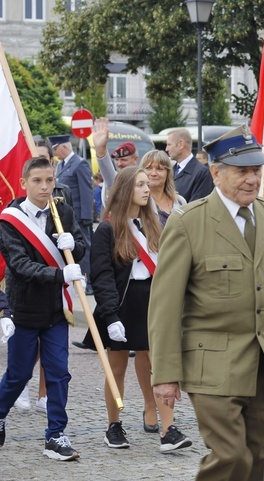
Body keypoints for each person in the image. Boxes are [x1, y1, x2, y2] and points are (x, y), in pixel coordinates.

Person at [148, 126, 264, 481]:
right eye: (242, 171)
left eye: (256, 169)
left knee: (256, 458)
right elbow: (165, 305)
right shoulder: (189, 222)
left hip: (260, 362)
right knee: (231, 456)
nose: (252, 178)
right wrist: (165, 374)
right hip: (209, 364)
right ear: (216, 173)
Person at [91, 166, 192, 452]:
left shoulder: (157, 223)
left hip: (154, 300)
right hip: (122, 304)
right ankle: (114, 425)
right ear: (125, 190)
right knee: (117, 368)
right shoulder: (107, 229)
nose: (147, 190)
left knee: (162, 366)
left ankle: (168, 429)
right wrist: (110, 316)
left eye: (147, 184)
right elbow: (102, 277)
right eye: (140, 185)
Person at [0, 156, 86, 460]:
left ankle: (55, 435)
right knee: (19, 374)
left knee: (59, 373)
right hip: (24, 308)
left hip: (55, 310)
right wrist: (60, 274)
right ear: (24, 183)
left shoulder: (61, 209)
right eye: (38, 181)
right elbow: (20, 265)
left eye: (50, 180)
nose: (45, 186)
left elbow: (81, 243)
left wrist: (73, 245)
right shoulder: (9, 219)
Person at [49, 134, 94, 295]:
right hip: (67, 217)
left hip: (81, 216)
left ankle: (89, 282)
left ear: (64, 146)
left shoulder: (79, 164)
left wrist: (87, 217)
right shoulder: (61, 166)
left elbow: (86, 191)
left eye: (56, 149)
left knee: (86, 249)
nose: (55, 153)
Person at [166, 128, 215, 202]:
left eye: (169, 144)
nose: (166, 149)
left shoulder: (203, 173)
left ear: (181, 144)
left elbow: (197, 207)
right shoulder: (171, 170)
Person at [140, 150, 187, 226]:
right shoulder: (138, 203)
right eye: (148, 168)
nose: (153, 173)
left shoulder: (180, 202)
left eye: (159, 169)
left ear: (168, 173)